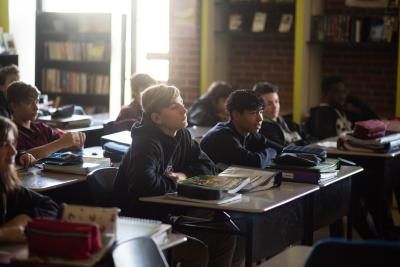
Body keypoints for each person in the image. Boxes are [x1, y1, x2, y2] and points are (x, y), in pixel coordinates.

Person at [111, 84, 236, 267]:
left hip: (169, 217)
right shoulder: (145, 142)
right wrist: (175, 182)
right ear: (156, 118)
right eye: (174, 106)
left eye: (181, 103)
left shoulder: (182, 135)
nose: (184, 109)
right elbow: (143, 185)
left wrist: (183, 175)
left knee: (226, 235)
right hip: (139, 225)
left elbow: (208, 166)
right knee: (196, 251)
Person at [0, 116, 58, 242]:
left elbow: (50, 207)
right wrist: (3, 234)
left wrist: (12, 227)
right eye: (4, 145)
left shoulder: (4, 184)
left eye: (13, 143)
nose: (13, 151)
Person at [200, 89, 279, 170]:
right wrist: (271, 151)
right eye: (253, 113)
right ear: (236, 115)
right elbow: (255, 163)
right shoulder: (222, 135)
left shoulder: (248, 132)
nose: (260, 118)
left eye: (261, 112)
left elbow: (279, 148)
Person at [7, 81, 85, 160]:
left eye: (37, 102)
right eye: (29, 103)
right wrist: (61, 143)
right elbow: (22, 156)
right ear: (14, 106)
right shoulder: (9, 132)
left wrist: (74, 143)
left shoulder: (41, 128)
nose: (36, 108)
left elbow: (61, 144)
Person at [253, 81, 314, 146]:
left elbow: (309, 137)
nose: (275, 107)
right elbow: (284, 148)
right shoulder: (263, 129)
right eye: (269, 104)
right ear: (259, 106)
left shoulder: (286, 121)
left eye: (276, 101)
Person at [306, 76, 352, 140]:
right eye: (337, 92)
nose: (342, 96)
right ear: (325, 94)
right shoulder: (322, 112)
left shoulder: (339, 110)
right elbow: (325, 139)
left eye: (343, 92)